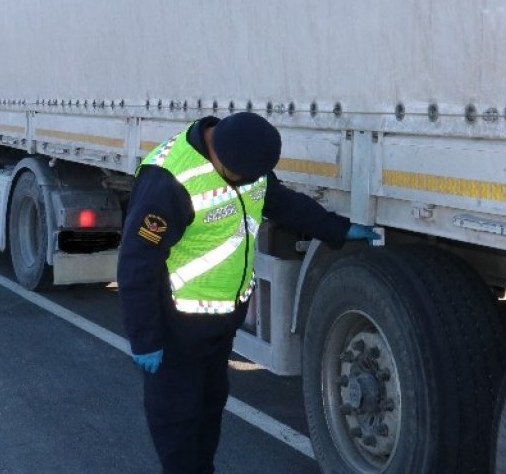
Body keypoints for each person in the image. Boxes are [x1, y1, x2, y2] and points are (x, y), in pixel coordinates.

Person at [118, 112, 380, 474]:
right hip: (175, 330)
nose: (252, 185)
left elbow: (283, 202)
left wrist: (337, 228)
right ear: (221, 157)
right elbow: (136, 264)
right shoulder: (168, 180)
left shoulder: (244, 162)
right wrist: (145, 338)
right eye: (244, 179)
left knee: (209, 411)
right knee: (177, 423)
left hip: (220, 326)